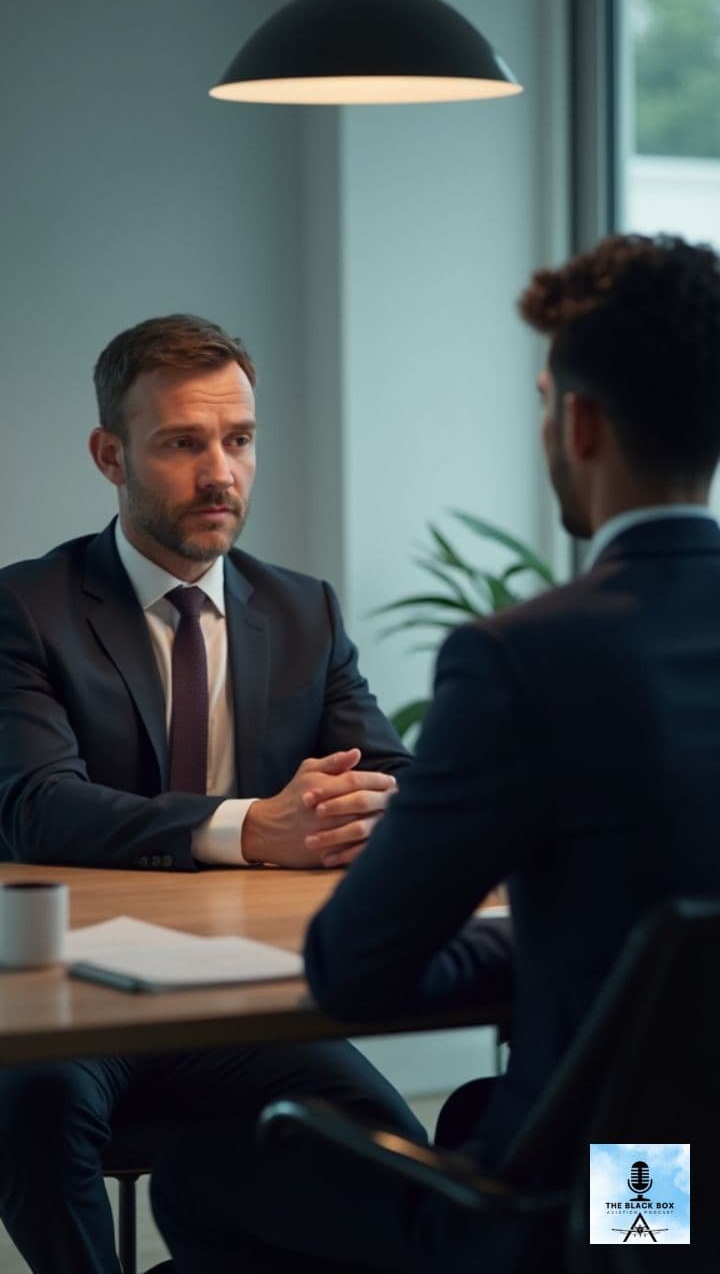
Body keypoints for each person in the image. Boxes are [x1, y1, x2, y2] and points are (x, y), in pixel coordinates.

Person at [150, 234, 720, 1272]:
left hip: (611, 1210)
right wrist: (564, 942)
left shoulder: (530, 658)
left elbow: (357, 968)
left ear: (579, 423)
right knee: (474, 1114)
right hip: (677, 1192)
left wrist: (533, 943)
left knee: (201, 1173)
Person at [0, 314, 428, 1274]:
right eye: (182, 444)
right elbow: (37, 807)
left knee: (399, 1160)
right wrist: (253, 829)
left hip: (240, 996)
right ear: (110, 455)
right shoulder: (25, 606)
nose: (220, 473)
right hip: (73, 994)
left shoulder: (303, 609)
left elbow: (391, 780)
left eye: (238, 440)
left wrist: (362, 811)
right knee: (34, 1120)